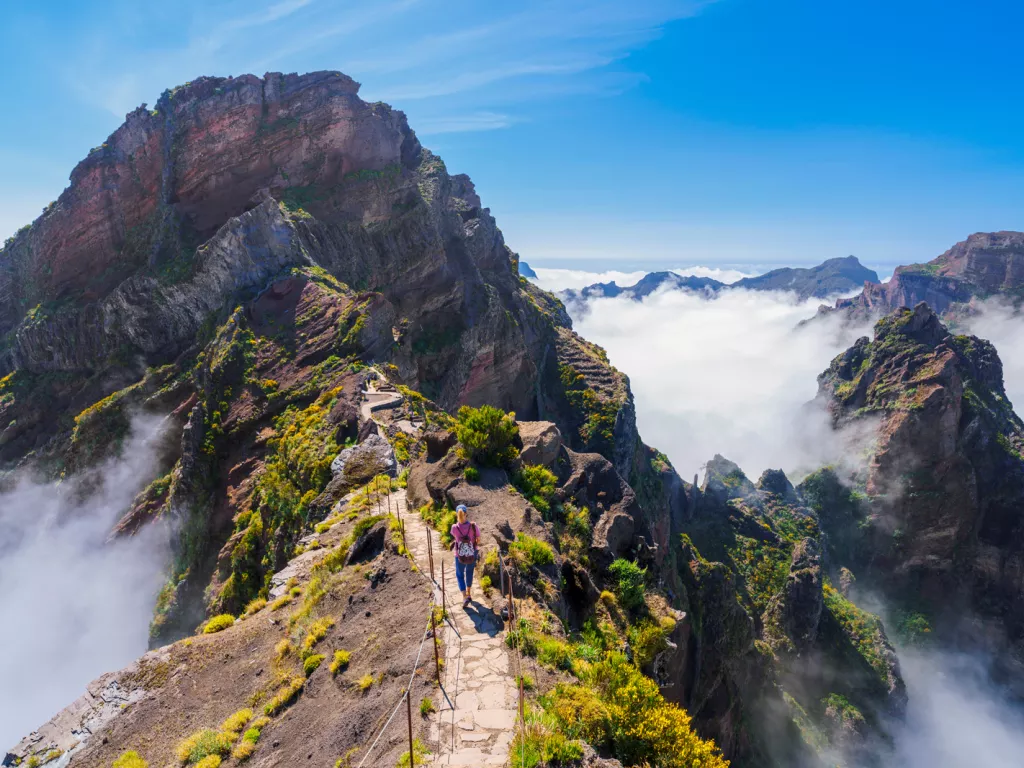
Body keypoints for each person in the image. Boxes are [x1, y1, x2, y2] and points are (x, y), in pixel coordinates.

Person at [450, 504, 480, 608]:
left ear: (457, 515)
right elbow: (478, 539)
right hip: (472, 553)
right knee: (469, 572)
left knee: (459, 574)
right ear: (466, 514)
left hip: (459, 555)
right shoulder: (473, 526)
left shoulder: (454, 527)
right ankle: (469, 593)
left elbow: (456, 538)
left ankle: (464, 597)